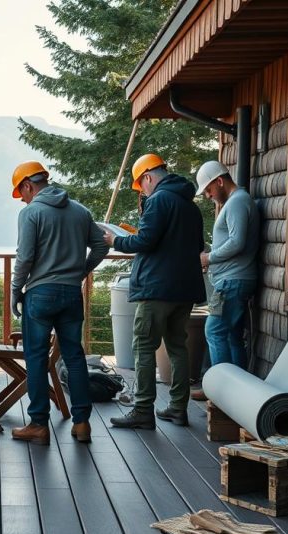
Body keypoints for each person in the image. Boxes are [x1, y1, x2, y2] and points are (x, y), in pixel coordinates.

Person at [9, 161, 110, 445]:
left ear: (28, 185)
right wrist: (82, 270)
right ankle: (82, 423)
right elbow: (102, 244)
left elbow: (25, 257)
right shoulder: (80, 211)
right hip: (70, 294)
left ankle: (39, 424)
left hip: (40, 295)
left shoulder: (31, 213)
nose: (24, 199)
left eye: (22, 193)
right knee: (74, 357)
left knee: (37, 358)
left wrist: (16, 290)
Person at [103, 153, 206, 429]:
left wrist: (117, 240)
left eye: (141, 185)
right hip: (184, 290)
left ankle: (143, 410)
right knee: (177, 346)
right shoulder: (190, 206)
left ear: (147, 177)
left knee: (144, 347)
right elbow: (196, 247)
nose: (143, 192)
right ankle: (177, 407)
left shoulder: (159, 200)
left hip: (157, 289)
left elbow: (146, 240)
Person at [195, 161, 260, 397]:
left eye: (209, 190)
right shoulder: (237, 201)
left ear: (219, 181)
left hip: (232, 281)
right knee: (232, 335)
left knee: (214, 331)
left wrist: (209, 258)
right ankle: (236, 393)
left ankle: (219, 391)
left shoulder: (237, 202)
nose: (209, 195)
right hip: (235, 278)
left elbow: (236, 242)